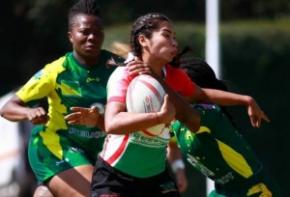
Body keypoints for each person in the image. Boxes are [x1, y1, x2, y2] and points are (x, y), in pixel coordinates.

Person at [88, 13, 269, 197]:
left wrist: (245, 99)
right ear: (143, 40)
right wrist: (158, 118)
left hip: (155, 177)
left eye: (174, 37)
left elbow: (202, 93)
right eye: (166, 35)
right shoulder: (125, 74)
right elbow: (112, 123)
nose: (174, 42)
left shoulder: (173, 75)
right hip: (116, 177)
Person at [0, 0, 121, 196]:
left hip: (99, 149)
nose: (92, 37)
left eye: (97, 31)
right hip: (57, 146)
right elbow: (7, 108)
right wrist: (29, 112)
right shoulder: (56, 71)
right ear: (70, 36)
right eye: (85, 32)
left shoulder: (117, 67)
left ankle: (49, 190)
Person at [170, 57, 281, 196]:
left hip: (254, 190)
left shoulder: (207, 114)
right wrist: (179, 170)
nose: (170, 89)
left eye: (177, 85)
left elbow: (187, 114)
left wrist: (152, 74)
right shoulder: (176, 122)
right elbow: (172, 145)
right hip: (224, 191)